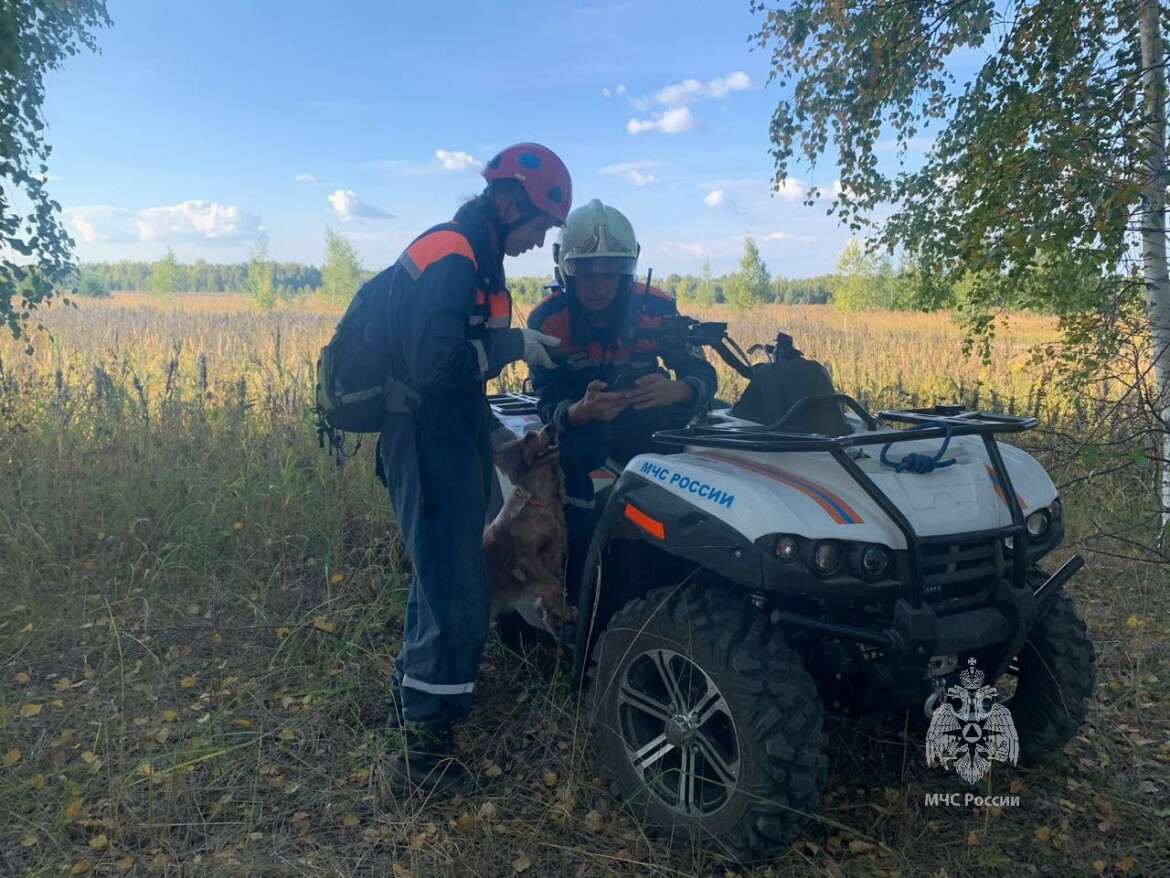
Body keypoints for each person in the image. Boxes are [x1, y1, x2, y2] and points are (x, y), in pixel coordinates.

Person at [377, 143, 571, 796]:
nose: (539, 241)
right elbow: (433, 367)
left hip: (450, 440)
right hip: (426, 447)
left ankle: (415, 706)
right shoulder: (455, 256)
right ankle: (421, 762)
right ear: (510, 201)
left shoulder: (480, 264)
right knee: (457, 596)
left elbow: (459, 388)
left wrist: (499, 445)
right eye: (540, 226)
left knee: (440, 581)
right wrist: (512, 344)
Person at [527, 200, 717, 603]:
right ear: (566, 271)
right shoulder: (547, 319)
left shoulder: (658, 306)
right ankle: (578, 600)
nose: (600, 287)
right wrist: (578, 412)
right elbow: (546, 401)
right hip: (582, 438)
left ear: (628, 270)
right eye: (588, 274)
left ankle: (682, 587)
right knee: (572, 494)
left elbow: (703, 373)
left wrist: (680, 390)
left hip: (651, 431)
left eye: (612, 273)